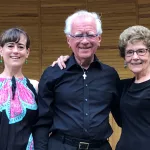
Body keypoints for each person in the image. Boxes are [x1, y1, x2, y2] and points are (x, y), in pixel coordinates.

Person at [33, 10, 121, 150]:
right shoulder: (53, 73)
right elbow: (42, 122)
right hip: (61, 146)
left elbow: (125, 117)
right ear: (69, 40)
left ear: (99, 39)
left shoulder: (110, 75)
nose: (84, 41)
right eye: (78, 35)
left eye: (90, 35)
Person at [54, 25, 150, 150]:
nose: (135, 57)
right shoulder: (122, 86)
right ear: (125, 57)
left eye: (141, 51)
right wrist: (68, 60)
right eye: (130, 52)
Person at [0, 27, 39, 150]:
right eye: (10, 46)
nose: (15, 51)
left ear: (27, 52)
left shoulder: (35, 86)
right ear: (1, 50)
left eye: (21, 47)